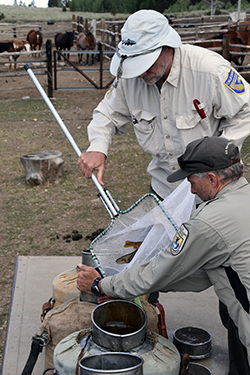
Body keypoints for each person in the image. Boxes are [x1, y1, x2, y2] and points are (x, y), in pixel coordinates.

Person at [77, 136, 250, 375]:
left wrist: (101, 284)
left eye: (191, 182)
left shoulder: (209, 222)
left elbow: (160, 268)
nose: (190, 190)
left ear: (212, 178)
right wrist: (134, 286)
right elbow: (205, 276)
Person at [77, 9, 250, 201]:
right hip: (164, 188)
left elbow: (246, 109)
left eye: (145, 64)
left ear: (168, 48)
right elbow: (107, 113)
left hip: (214, 188)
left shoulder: (210, 71)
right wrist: (98, 147)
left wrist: (221, 156)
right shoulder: (129, 80)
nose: (140, 73)